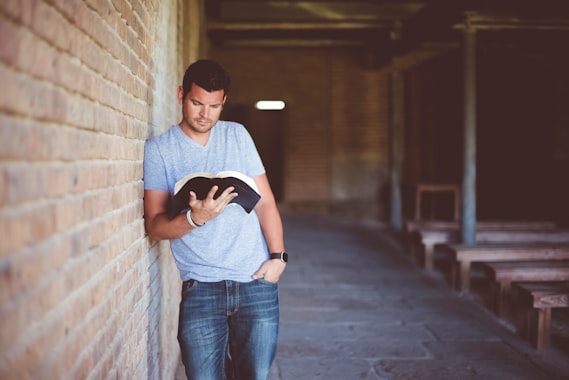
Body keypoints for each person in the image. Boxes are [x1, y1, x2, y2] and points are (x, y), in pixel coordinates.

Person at [143, 59, 287, 380]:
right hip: (201, 288)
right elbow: (154, 224)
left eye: (213, 106)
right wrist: (195, 219)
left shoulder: (237, 135)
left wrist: (278, 257)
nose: (204, 114)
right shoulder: (160, 150)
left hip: (255, 282)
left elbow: (265, 203)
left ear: (223, 103)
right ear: (181, 94)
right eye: (196, 103)